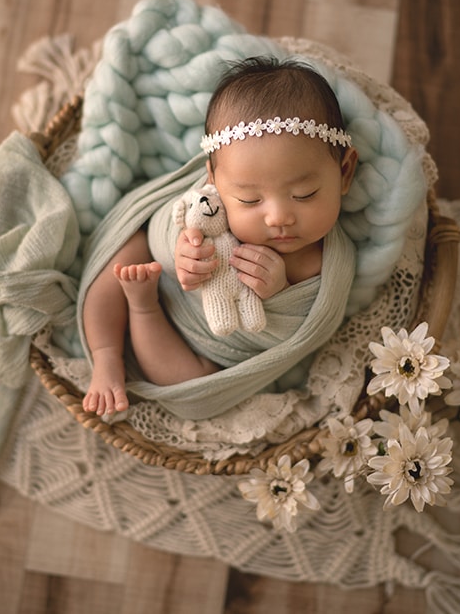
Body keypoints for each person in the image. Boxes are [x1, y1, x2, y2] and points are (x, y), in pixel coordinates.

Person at [81, 56, 359, 416]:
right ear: (213, 179)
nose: (278, 217)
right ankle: (106, 357)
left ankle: (142, 307)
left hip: (207, 350)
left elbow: (306, 332)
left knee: (193, 394)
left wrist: (277, 295)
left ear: (345, 172)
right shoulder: (210, 203)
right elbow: (160, 227)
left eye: (304, 194)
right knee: (125, 254)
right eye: (249, 199)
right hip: (158, 280)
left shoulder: (325, 261)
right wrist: (180, 250)